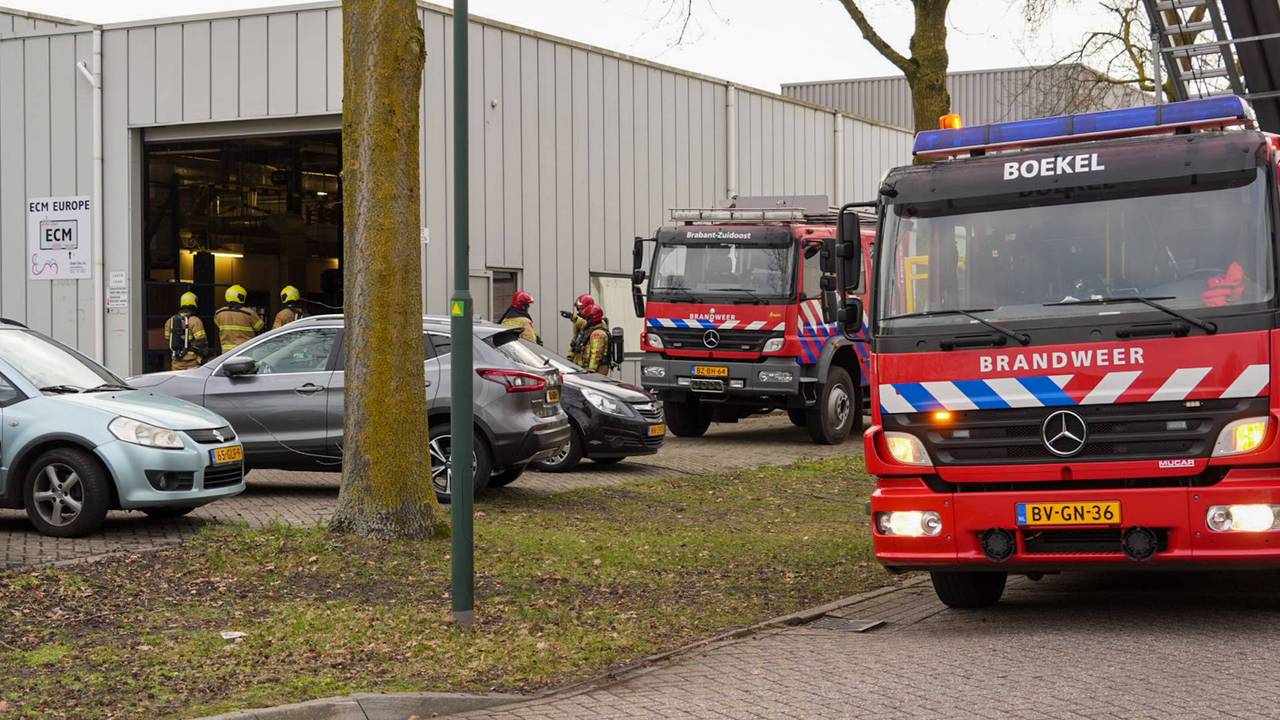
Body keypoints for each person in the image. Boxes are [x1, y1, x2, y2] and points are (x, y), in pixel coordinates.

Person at [164, 291, 209, 371]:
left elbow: (167, 340)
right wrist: (204, 355)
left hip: (176, 364)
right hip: (192, 365)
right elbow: (202, 342)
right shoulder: (195, 321)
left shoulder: (170, 321)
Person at [215, 284, 265, 354]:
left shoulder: (218, 313)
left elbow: (218, 326)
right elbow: (261, 329)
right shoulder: (248, 313)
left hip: (226, 353)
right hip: (245, 351)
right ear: (241, 297)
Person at [580, 303, 612, 375]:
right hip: (595, 369)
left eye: (587, 318)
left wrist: (591, 370)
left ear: (592, 319)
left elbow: (596, 353)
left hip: (598, 370)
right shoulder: (596, 329)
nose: (585, 321)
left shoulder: (597, 334)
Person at [564, 293, 595, 364]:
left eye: (581, 308)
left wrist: (572, 317)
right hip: (580, 359)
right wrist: (569, 357)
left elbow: (587, 325)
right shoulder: (578, 323)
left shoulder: (597, 321)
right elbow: (575, 341)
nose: (579, 311)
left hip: (590, 362)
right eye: (578, 309)